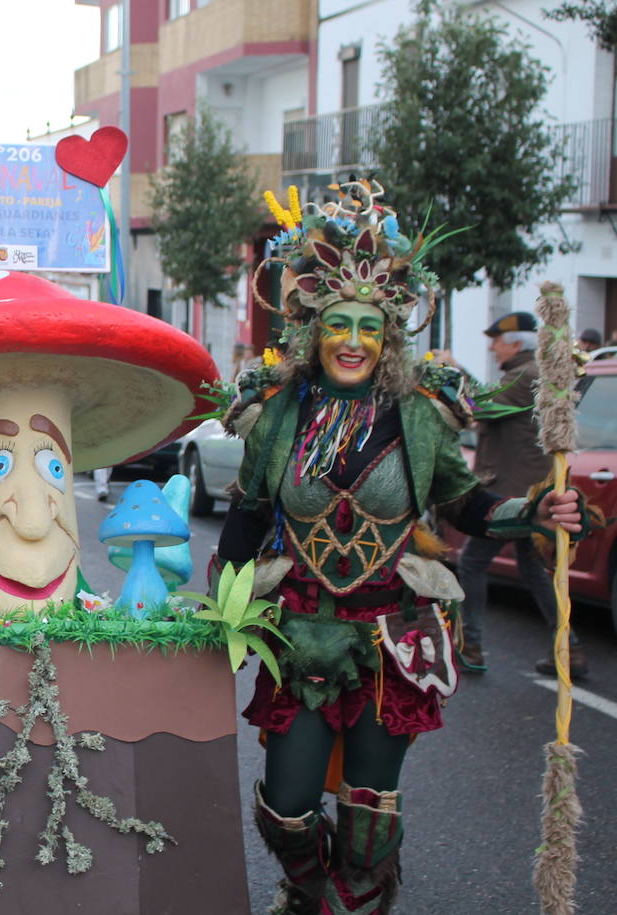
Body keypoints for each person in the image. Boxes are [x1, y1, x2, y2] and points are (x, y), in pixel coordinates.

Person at [222, 180, 586, 914]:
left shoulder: (419, 418)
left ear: (388, 336)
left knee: (368, 806)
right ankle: (308, 886)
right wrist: (212, 608)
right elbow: (248, 512)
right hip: (300, 634)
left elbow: (462, 501)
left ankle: (353, 899)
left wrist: (532, 512)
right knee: (285, 804)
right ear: (312, 332)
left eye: (368, 326)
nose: (352, 340)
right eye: (337, 324)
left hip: (393, 635)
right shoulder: (278, 417)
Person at [453, 312, 588, 677]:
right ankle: (569, 647)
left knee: (472, 563)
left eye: (497, 340)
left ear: (516, 343)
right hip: (530, 490)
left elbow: (482, 406)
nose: (492, 347)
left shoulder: (525, 376)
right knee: (534, 570)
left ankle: (472, 646)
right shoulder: (534, 374)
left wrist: (455, 370)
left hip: (512, 496)